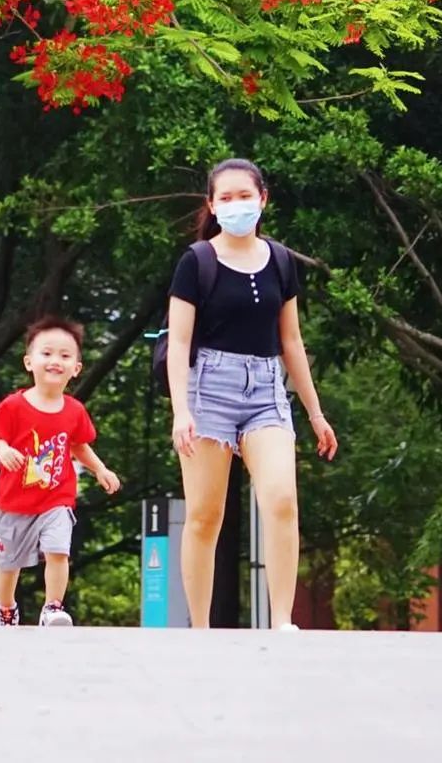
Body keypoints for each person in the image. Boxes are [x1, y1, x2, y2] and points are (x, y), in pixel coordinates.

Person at [166, 158, 337, 631]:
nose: (236, 205)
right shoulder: (196, 262)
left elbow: (291, 342)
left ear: (263, 199)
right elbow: (179, 342)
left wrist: (315, 413)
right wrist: (182, 411)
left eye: (245, 196)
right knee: (204, 516)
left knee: (282, 497)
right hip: (208, 390)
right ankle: (198, 628)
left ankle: (282, 621)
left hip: (265, 388)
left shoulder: (280, 260)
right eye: (226, 197)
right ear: (212, 205)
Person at [0, 316, 120, 627]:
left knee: (58, 550)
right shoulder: (13, 406)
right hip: (13, 502)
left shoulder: (74, 411)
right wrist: (4, 451)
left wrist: (100, 470)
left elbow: (79, 446)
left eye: (65, 355)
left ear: (76, 368)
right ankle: (6, 609)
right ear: (29, 362)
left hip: (56, 499)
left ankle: (52, 608)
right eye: (47, 353)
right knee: (9, 563)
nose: (55, 360)